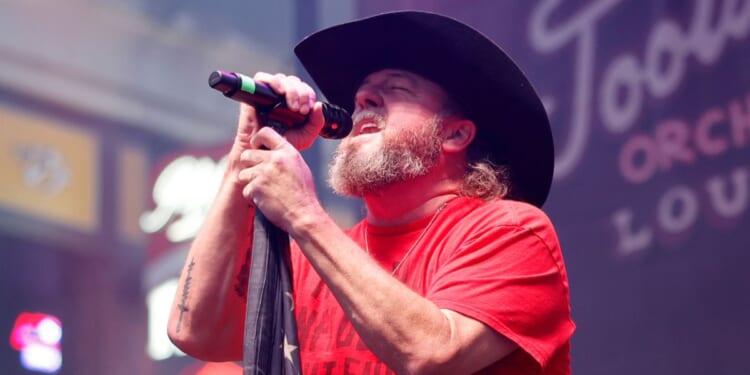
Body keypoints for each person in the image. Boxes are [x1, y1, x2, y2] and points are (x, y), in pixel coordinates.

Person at [168, 11, 575, 375]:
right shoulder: (316, 259)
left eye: (397, 88)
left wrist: (303, 215)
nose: (362, 99)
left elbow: (431, 355)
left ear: (455, 133)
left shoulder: (512, 231)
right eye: (362, 94)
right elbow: (195, 331)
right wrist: (245, 148)